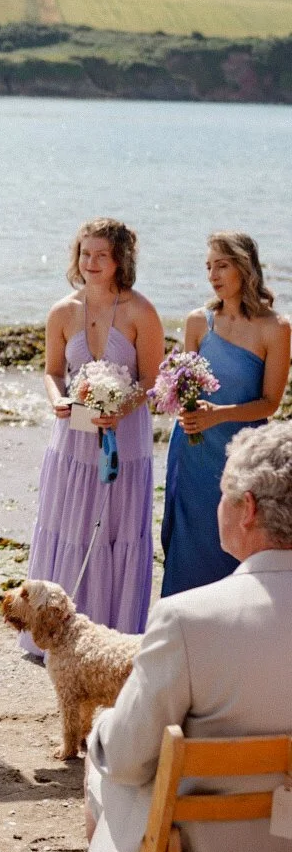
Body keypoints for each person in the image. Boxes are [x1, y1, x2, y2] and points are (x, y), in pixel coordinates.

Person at [76, 422, 292, 852]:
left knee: (110, 751)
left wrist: (102, 734)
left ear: (247, 509)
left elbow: (126, 758)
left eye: (223, 495)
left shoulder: (188, 619)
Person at [22, 219, 163, 656]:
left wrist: (121, 407)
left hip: (126, 440)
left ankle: (110, 632)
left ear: (121, 258)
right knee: (69, 524)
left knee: (116, 530)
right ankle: (50, 635)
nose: (91, 263)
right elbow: (51, 372)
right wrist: (56, 401)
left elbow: (151, 380)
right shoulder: (63, 311)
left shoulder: (142, 311)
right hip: (73, 440)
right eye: (85, 253)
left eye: (102, 255)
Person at [160, 231, 290, 597]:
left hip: (242, 456)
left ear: (244, 268)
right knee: (186, 542)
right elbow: (185, 387)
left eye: (222, 265)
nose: (213, 275)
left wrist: (220, 414)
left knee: (238, 542)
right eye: (208, 267)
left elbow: (270, 403)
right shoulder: (198, 322)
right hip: (193, 449)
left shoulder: (276, 328)